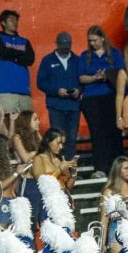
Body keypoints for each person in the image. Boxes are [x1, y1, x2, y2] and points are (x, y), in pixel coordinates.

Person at [79, 24, 124, 176]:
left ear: (103, 38)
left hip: (110, 96)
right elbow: (81, 77)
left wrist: (107, 76)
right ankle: (100, 168)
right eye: (90, 41)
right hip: (91, 98)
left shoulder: (115, 54)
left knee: (113, 132)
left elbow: (121, 73)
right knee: (97, 133)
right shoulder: (85, 56)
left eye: (95, 40)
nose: (92, 44)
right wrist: (94, 77)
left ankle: (117, 167)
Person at [36, 32, 80, 160]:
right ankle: (58, 165)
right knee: (57, 138)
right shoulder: (47, 60)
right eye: (63, 45)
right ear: (57, 44)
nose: (66, 48)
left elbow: (82, 80)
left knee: (71, 138)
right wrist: (56, 91)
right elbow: (41, 82)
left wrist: (79, 90)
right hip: (55, 105)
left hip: (74, 105)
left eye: (68, 45)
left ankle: (70, 166)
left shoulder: (77, 60)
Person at [0, 9, 35, 115]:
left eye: (16, 20)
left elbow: (30, 59)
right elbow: (0, 51)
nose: (15, 23)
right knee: (7, 124)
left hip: (24, 90)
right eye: (11, 20)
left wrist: (12, 56)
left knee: (27, 125)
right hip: (6, 90)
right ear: (3, 23)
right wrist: (20, 55)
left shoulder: (25, 41)